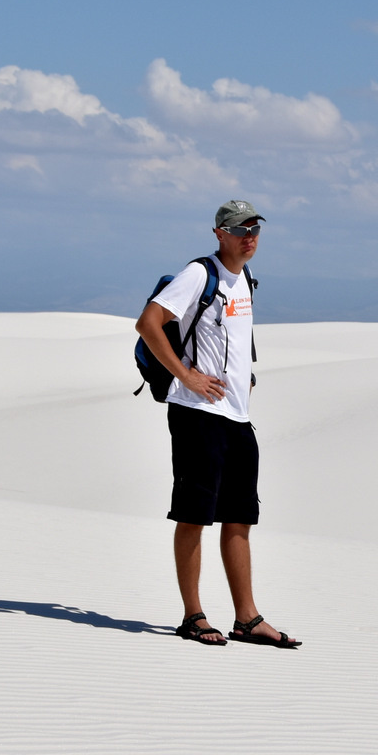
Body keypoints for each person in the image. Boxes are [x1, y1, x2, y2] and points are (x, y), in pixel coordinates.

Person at [135, 200, 300, 649]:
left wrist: (244, 376)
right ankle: (193, 616)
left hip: (236, 417)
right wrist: (184, 374)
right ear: (218, 233)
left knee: (240, 517)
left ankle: (247, 619)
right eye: (239, 228)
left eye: (255, 228)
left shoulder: (245, 277)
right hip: (196, 414)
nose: (249, 235)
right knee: (194, 515)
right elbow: (148, 323)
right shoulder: (198, 274)